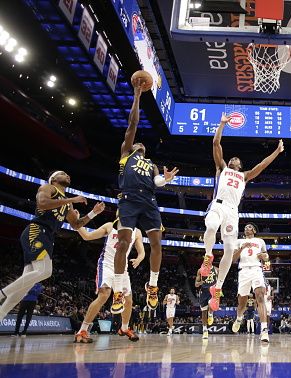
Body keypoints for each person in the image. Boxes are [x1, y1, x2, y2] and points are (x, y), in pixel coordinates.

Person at [197, 114, 284, 312]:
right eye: (232, 157)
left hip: (232, 212)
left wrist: (277, 151)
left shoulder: (244, 176)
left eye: (237, 158)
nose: (233, 158)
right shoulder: (222, 168)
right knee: (210, 226)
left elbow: (262, 165)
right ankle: (208, 256)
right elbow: (215, 143)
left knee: (229, 250)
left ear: (240, 165)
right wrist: (222, 124)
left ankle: (217, 289)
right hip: (218, 205)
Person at [111, 78, 179, 315]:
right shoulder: (126, 153)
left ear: (145, 150)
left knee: (158, 244)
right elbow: (132, 124)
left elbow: (157, 182)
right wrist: (137, 96)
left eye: (141, 143)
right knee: (122, 244)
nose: (138, 142)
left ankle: (153, 285)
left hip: (149, 199)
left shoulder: (151, 164)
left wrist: (166, 179)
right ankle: (118, 291)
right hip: (128, 199)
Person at [0, 171, 105, 322]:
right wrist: (71, 199)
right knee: (45, 270)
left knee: (23, 289)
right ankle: (2, 293)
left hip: (48, 237)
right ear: (54, 179)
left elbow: (76, 225)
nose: (68, 175)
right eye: (63, 173)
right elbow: (42, 203)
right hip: (36, 230)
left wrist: (93, 213)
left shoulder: (67, 203)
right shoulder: (48, 188)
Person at [73, 219, 145, 343]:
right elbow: (87, 236)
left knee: (128, 301)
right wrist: (77, 224)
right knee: (104, 295)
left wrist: (139, 259)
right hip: (106, 265)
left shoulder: (136, 232)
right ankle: (82, 330)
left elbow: (142, 252)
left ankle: (124, 328)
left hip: (122, 268)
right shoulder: (109, 226)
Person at [230, 223, 272, 342]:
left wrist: (264, 256)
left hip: (256, 269)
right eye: (245, 228)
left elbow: (266, 257)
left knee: (260, 298)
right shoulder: (238, 241)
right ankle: (239, 318)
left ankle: (264, 331)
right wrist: (242, 248)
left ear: (254, 230)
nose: (246, 228)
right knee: (241, 304)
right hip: (243, 272)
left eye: (249, 227)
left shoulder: (260, 241)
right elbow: (233, 259)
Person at [195, 265, 217, 339]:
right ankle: (205, 330)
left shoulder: (216, 269)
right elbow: (196, 284)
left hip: (212, 290)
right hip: (203, 292)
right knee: (204, 312)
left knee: (211, 303)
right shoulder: (200, 270)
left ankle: (210, 314)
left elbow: (221, 280)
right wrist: (201, 282)